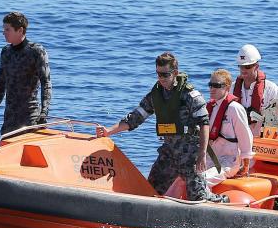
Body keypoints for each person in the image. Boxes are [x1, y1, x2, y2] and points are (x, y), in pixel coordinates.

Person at [96, 52, 227, 203]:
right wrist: (109, 131)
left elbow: (204, 123)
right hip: (169, 154)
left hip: (190, 155)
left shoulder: (190, 95)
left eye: (165, 74)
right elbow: (135, 118)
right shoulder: (155, 95)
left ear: (175, 73)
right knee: (149, 189)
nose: (161, 78)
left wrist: (202, 155)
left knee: (198, 197)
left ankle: (223, 201)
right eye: (158, 74)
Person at [0, 11, 52, 139]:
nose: (3, 33)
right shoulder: (6, 52)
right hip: (9, 120)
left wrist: (44, 113)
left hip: (30, 118)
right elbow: (0, 86)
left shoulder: (36, 51)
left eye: (7, 29)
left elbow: (46, 83)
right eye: (4, 29)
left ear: (20, 30)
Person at [204, 68, 254, 186]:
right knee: (183, 176)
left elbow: (245, 137)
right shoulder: (209, 108)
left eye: (216, 85)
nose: (212, 89)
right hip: (209, 159)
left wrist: (245, 164)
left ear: (227, 87)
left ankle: (208, 201)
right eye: (210, 85)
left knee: (201, 180)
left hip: (227, 162)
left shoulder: (235, 109)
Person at [232, 43, 278, 137]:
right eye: (241, 66)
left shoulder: (271, 89)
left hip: (262, 139)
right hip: (237, 137)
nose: (243, 69)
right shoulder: (232, 88)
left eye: (247, 67)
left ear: (256, 66)